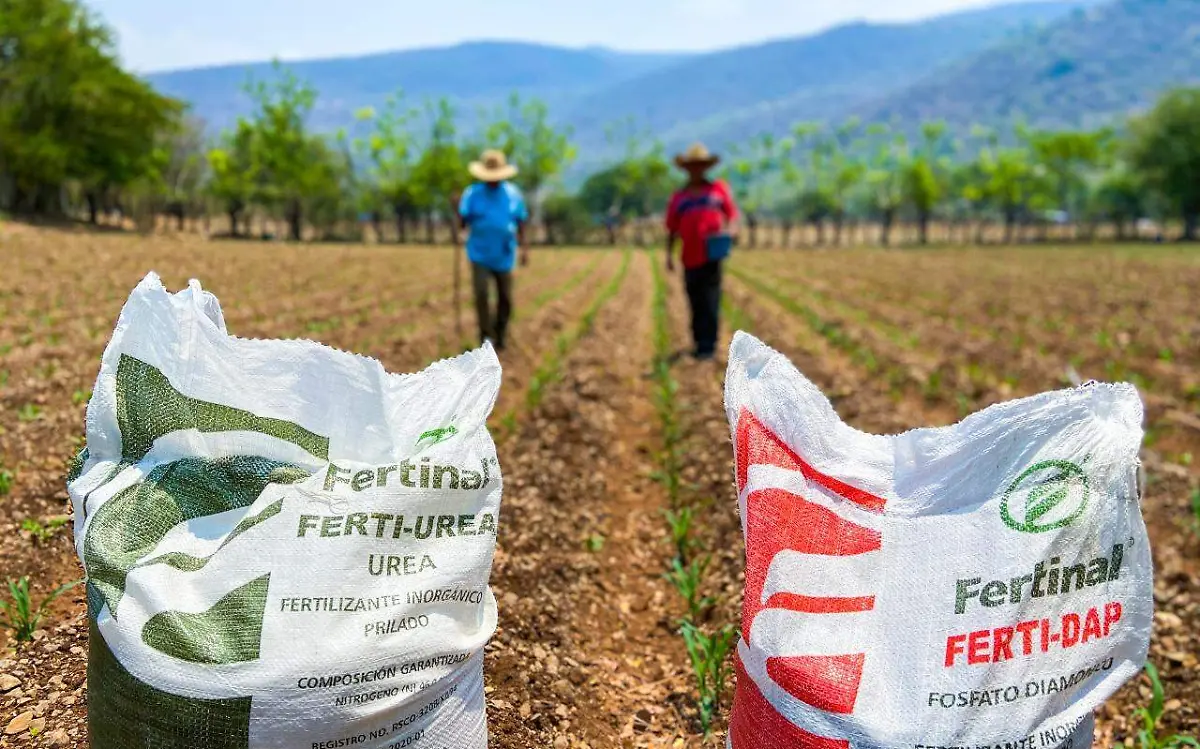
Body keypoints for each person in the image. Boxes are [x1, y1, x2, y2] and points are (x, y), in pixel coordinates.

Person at [665, 143, 739, 361]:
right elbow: (671, 229)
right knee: (694, 299)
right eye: (692, 166)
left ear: (705, 168)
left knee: (711, 299)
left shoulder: (718, 190)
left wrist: (731, 232)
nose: (696, 170)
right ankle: (698, 342)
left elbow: (732, 215)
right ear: (687, 169)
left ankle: (709, 344)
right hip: (689, 256)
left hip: (712, 254)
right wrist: (668, 255)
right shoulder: (679, 197)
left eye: (700, 166)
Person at [458, 149, 529, 351]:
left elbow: (521, 221)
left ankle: (501, 334)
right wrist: (459, 222)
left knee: (505, 298)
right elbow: (464, 220)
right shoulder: (472, 194)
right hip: (479, 252)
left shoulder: (513, 194)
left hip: (505, 254)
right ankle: (485, 336)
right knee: (481, 295)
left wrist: (525, 249)